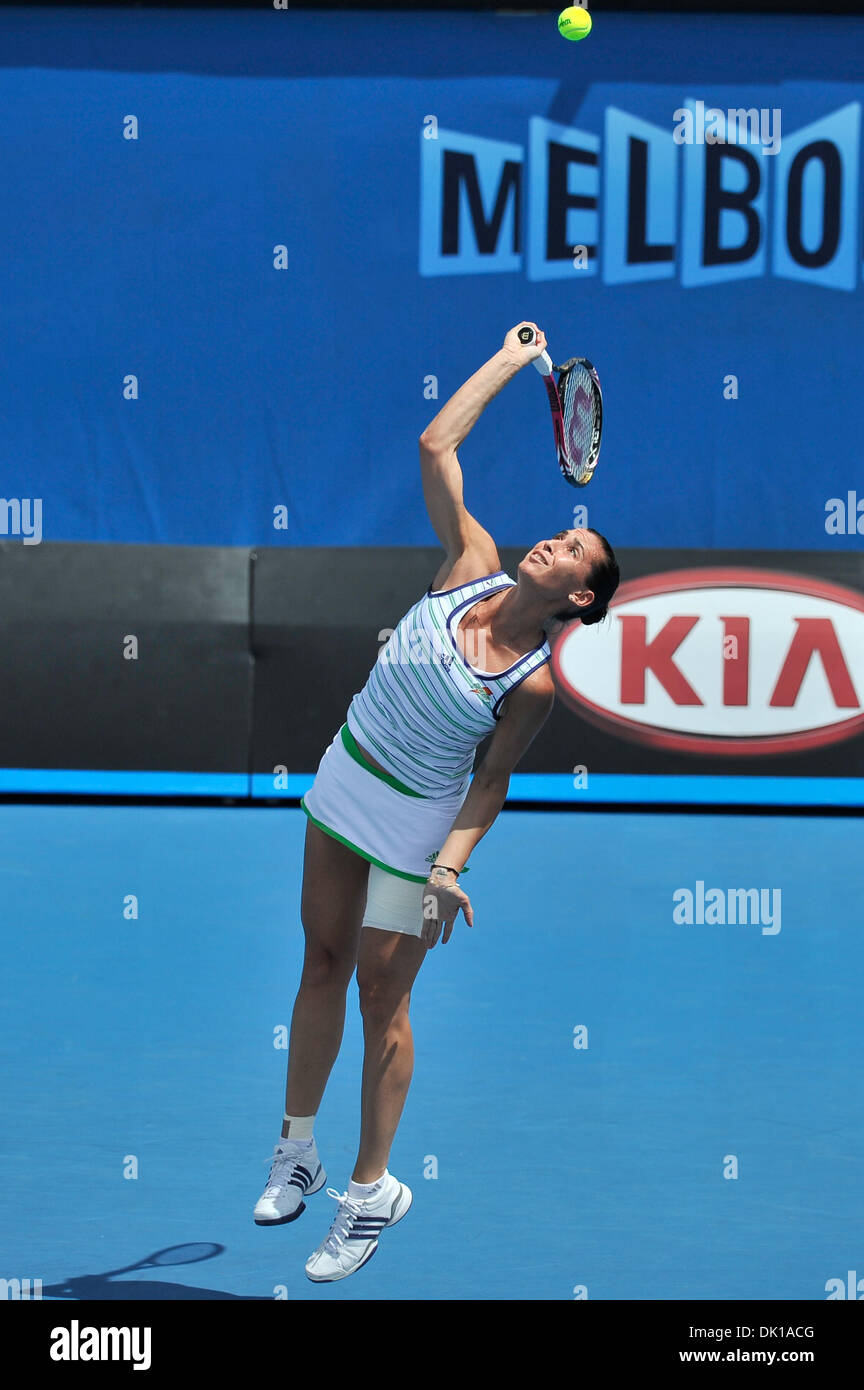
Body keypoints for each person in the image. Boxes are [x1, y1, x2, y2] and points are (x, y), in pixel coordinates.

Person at [253, 322, 620, 1282]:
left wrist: (449, 866)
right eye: (561, 530)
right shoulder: (471, 562)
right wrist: (509, 359)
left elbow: (489, 780)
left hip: (415, 828)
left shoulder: (533, 682)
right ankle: (297, 1148)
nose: (555, 539)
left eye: (573, 549)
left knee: (385, 996)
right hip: (346, 778)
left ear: (581, 599)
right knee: (320, 960)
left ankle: (370, 1193)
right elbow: (435, 446)